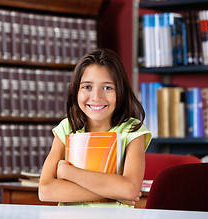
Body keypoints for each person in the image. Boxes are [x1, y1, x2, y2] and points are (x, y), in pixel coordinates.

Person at [38, 48, 152, 207]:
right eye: (87, 87)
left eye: (107, 87)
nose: (97, 97)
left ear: (120, 91)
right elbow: (46, 190)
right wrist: (115, 191)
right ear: (75, 90)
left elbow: (129, 189)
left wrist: (68, 173)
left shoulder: (132, 130)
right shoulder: (67, 128)